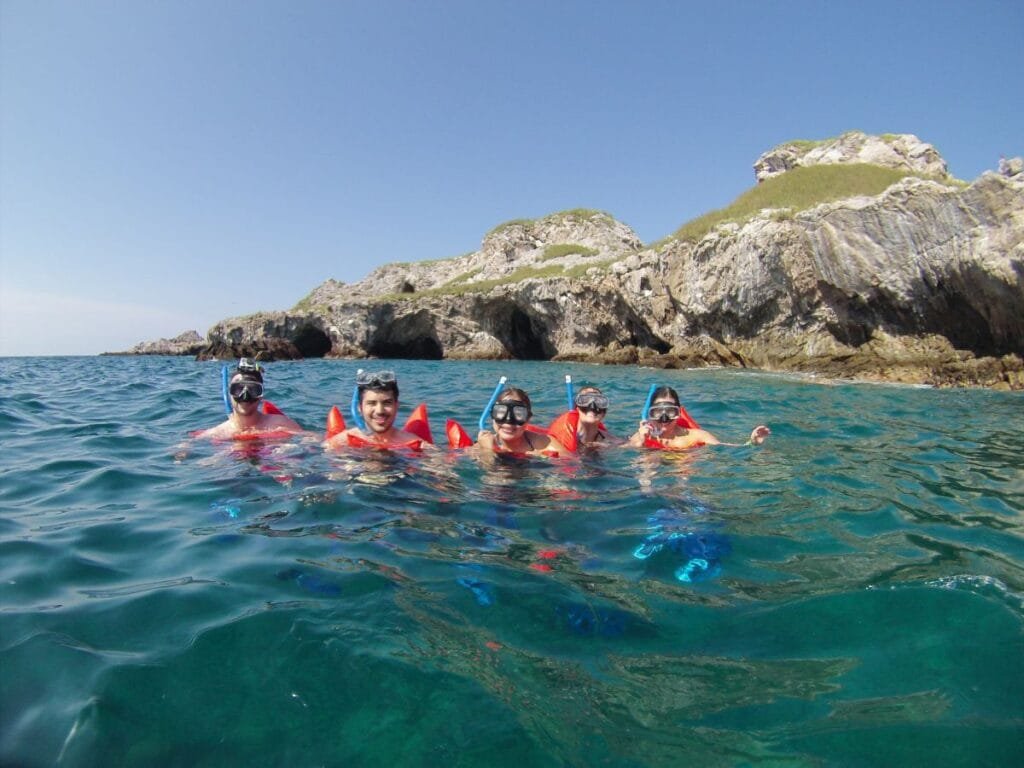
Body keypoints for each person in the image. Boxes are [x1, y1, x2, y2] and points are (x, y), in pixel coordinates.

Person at [627, 385, 769, 450]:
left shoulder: (696, 436)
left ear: (678, 414)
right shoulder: (641, 436)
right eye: (658, 412)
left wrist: (752, 442)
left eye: (670, 411)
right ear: (650, 414)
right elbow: (614, 449)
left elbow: (725, 448)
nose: (664, 418)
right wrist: (640, 443)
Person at [194, 359, 303, 440]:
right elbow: (187, 445)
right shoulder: (218, 432)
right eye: (238, 389)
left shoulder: (282, 425)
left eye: (253, 390)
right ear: (229, 393)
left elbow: (312, 440)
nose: (245, 396)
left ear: (261, 395)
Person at [325, 369, 433, 450]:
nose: (379, 411)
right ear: (359, 408)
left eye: (387, 403)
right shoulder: (339, 443)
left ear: (397, 406)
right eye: (371, 403)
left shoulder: (419, 445)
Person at [476, 387, 570, 458]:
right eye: (501, 412)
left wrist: (540, 458)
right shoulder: (482, 445)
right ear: (493, 416)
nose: (509, 420)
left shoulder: (542, 443)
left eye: (518, 414)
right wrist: (488, 451)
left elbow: (570, 463)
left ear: (528, 419)